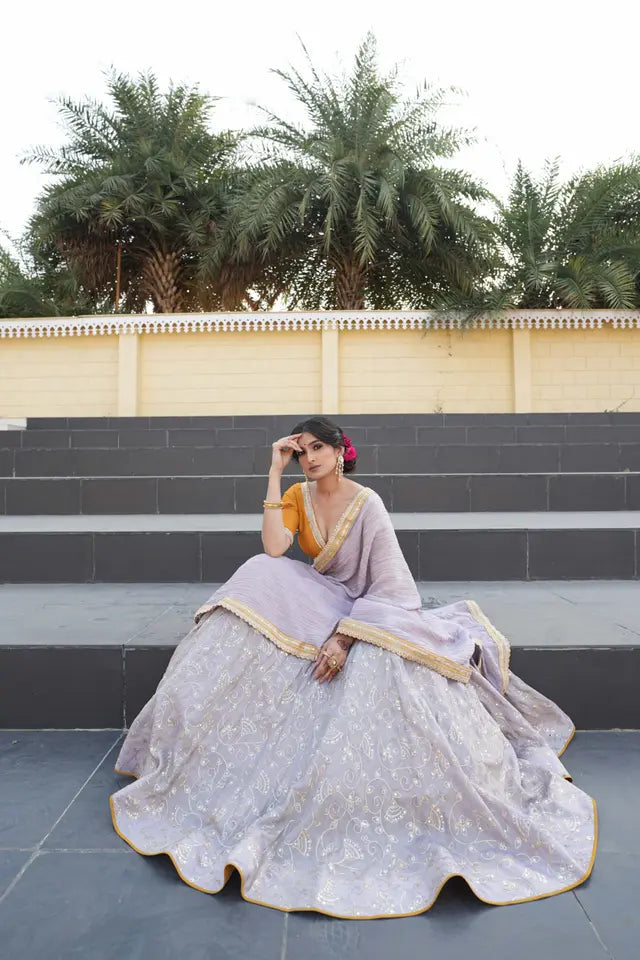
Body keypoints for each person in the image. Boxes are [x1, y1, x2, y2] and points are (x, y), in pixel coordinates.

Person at [109, 416, 598, 919]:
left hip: (372, 606)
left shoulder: (367, 504)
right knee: (257, 573)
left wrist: (345, 637)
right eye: (302, 453)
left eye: (318, 447)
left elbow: (393, 588)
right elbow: (275, 549)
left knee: (377, 668)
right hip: (326, 596)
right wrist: (276, 474)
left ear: (341, 451)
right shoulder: (298, 495)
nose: (311, 458)